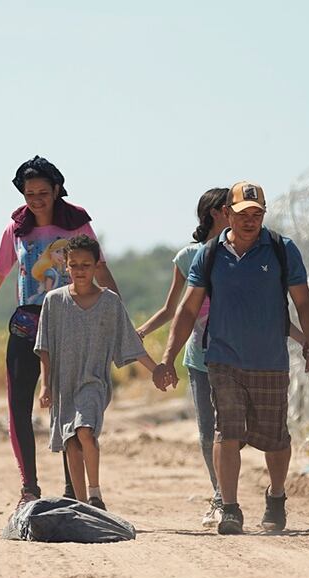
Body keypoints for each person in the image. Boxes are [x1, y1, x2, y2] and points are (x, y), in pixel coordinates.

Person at [0, 156, 121, 510]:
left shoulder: (78, 226)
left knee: (69, 408)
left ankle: (75, 491)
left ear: (56, 190)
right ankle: (29, 487)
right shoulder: (16, 230)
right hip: (27, 324)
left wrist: (119, 315)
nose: (36, 199)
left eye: (42, 192)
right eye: (29, 193)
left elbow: (100, 271)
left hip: (72, 322)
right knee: (19, 406)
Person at [156, 181, 309, 535]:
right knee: (226, 430)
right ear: (227, 214)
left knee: (276, 438)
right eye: (243, 214)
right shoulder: (210, 254)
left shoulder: (281, 249)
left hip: (270, 359)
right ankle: (230, 507)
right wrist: (169, 355)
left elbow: (304, 302)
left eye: (257, 214)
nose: (250, 220)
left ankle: (276, 496)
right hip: (223, 357)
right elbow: (187, 310)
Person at [35, 236, 162, 510]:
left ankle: (95, 494)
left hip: (94, 381)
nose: (80, 270)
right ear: (65, 268)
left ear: (95, 268)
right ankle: (83, 506)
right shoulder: (53, 302)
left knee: (85, 431)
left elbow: (129, 342)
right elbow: (44, 347)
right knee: (70, 441)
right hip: (63, 383)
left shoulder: (109, 303)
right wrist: (45, 387)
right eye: (74, 265)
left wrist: (157, 369)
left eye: (86, 265)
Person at [136, 188, 229, 527]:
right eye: (232, 209)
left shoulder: (241, 253)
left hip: (238, 358)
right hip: (200, 359)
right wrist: (142, 333)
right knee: (208, 432)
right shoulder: (188, 257)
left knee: (236, 429)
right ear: (217, 213)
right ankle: (221, 496)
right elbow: (171, 309)